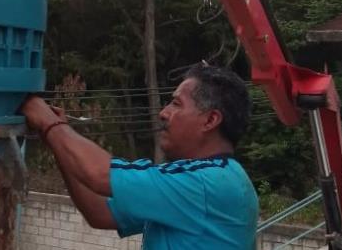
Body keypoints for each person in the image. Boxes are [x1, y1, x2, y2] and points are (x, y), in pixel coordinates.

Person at [20, 63, 258, 249]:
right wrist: (57, 141)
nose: (164, 113)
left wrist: (49, 122)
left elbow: (99, 174)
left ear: (210, 120)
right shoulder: (217, 179)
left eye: (176, 104)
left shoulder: (206, 183)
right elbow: (100, 213)